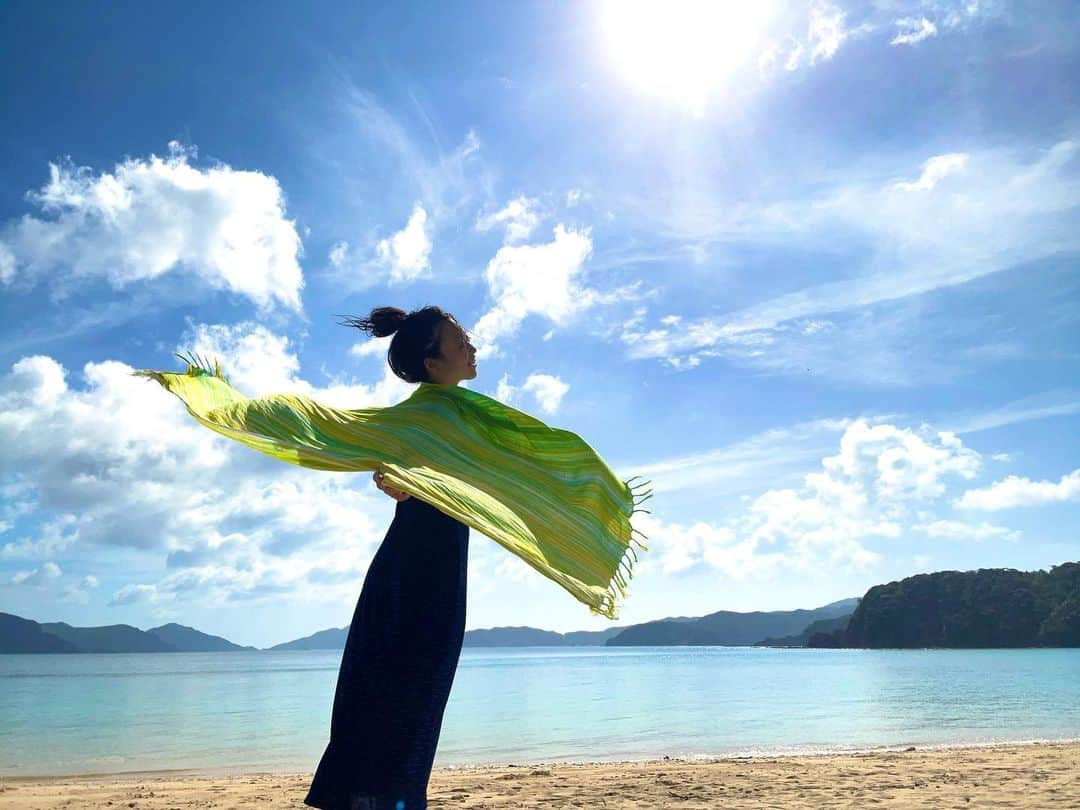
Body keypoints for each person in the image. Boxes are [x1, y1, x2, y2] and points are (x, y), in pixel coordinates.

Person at [304, 305, 477, 810]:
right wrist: (393, 474)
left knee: (415, 694)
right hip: (414, 571)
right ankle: (373, 798)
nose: (472, 346)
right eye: (460, 339)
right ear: (432, 362)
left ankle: (376, 796)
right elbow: (345, 437)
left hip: (440, 567)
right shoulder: (418, 417)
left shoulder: (472, 419)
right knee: (401, 689)